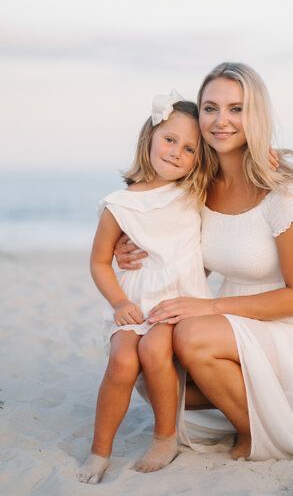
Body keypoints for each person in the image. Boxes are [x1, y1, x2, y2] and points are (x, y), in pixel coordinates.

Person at [115, 62, 293, 461]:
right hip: (235, 326)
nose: (221, 120)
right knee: (150, 365)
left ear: (256, 115)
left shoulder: (285, 191)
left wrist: (209, 307)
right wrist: (128, 247)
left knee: (191, 336)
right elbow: (188, 258)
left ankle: (258, 437)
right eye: (211, 108)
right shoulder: (199, 185)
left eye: (236, 109)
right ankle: (249, 411)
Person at [77, 92, 219, 484]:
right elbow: (99, 260)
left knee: (155, 348)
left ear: (199, 160)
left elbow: (239, 168)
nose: (176, 152)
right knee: (122, 359)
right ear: (150, 137)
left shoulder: (194, 193)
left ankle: (164, 437)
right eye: (170, 139)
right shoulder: (118, 205)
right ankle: (99, 451)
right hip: (135, 303)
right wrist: (119, 301)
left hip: (177, 301)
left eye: (190, 149)